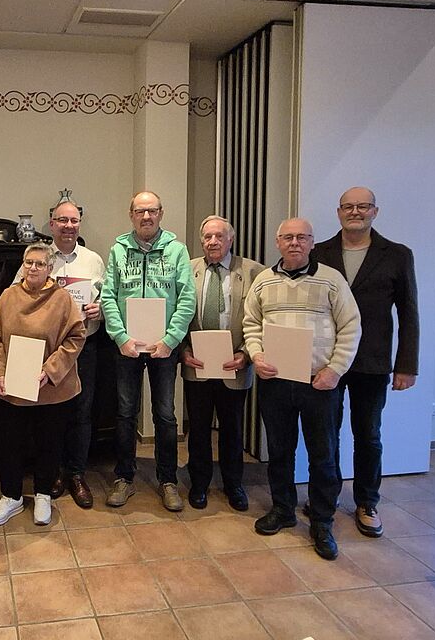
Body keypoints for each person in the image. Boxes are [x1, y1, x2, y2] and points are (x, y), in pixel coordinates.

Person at [243, 218, 360, 561]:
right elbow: (251, 324)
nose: (294, 243)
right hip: (276, 381)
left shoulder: (331, 280)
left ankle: (322, 521)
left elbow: (351, 326)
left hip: (318, 382)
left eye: (302, 238)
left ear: (312, 243)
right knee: (279, 451)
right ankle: (283, 510)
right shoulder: (263, 282)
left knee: (323, 456)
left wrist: (335, 371)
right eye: (288, 237)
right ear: (278, 242)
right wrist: (257, 355)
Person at [311, 187, 418, 539]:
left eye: (362, 206)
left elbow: (409, 313)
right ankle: (326, 496)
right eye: (348, 206)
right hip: (326, 360)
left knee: (368, 435)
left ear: (375, 211)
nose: (355, 211)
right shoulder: (319, 253)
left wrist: (406, 365)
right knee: (326, 433)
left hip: (372, 360)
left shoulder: (397, 255)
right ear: (338, 212)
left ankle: (367, 501)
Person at [100, 191, 196, 512]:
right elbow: (108, 297)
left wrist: (170, 339)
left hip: (163, 348)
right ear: (131, 214)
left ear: (161, 213)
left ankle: (168, 480)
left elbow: (186, 299)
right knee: (126, 413)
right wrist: (120, 336)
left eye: (152, 211)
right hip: (126, 347)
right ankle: (124, 477)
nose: (146, 217)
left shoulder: (177, 250)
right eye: (140, 211)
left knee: (166, 415)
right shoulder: (118, 250)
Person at [10, 200, 105, 508]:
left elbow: (106, 301)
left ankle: (76, 474)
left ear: (79, 225)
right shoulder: (36, 258)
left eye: (73, 220)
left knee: (81, 414)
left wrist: (98, 311)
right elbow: (16, 297)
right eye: (61, 220)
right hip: (44, 354)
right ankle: (52, 474)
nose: (68, 225)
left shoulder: (93, 260)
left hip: (83, 348)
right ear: (51, 224)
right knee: (50, 417)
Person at [0, 242, 86, 526]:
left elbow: (76, 337)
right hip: (13, 385)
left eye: (40, 264)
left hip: (51, 387)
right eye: (29, 262)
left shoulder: (63, 298)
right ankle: (11, 497)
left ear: (50, 268)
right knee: (10, 444)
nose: (33, 268)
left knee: (49, 443)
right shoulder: (8, 296)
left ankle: (43, 495)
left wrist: (50, 370)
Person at [179, 216, 264, 511]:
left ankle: (233, 484)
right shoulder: (187, 270)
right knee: (199, 428)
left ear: (231, 239)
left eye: (219, 236)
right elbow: (175, 314)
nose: (212, 242)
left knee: (232, 429)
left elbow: (262, 319)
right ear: (201, 240)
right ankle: (199, 483)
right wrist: (182, 351)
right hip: (196, 362)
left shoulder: (254, 272)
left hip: (235, 365)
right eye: (207, 237)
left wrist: (246, 353)